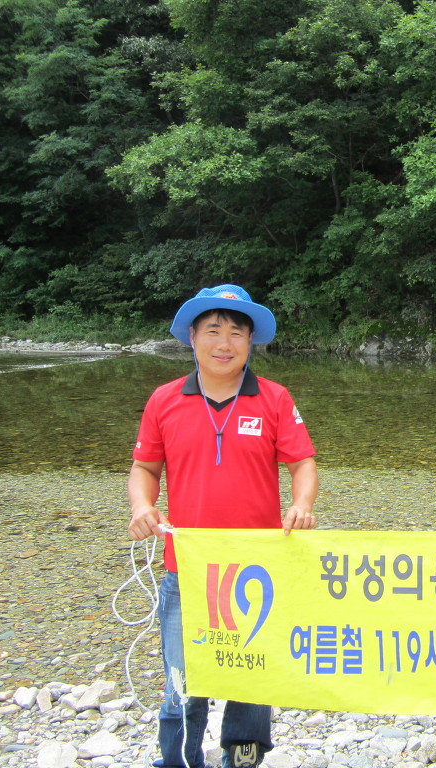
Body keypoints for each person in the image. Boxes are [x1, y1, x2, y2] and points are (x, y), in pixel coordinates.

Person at [127, 284, 319, 768]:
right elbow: (145, 468)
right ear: (192, 337)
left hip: (258, 568)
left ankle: (243, 758)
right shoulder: (164, 400)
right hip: (186, 570)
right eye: (213, 330)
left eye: (236, 332)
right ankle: (178, 760)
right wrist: (142, 507)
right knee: (182, 680)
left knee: (252, 673)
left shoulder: (274, 398)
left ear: (251, 342)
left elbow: (302, 463)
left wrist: (301, 504)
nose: (224, 343)